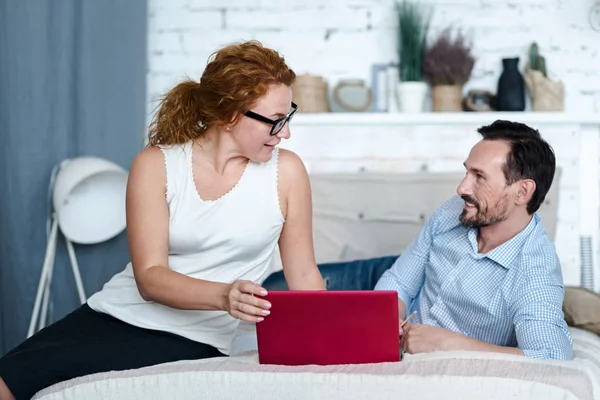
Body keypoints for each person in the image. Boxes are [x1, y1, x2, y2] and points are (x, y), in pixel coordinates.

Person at [0, 40, 325, 400]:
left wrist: (339, 339)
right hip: (115, 316)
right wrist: (223, 296)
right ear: (231, 115)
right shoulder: (156, 165)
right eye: (276, 122)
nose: (286, 133)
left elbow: (305, 276)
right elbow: (149, 278)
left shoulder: (288, 173)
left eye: (288, 116)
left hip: (199, 338)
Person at [375, 120, 573, 360]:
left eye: (479, 177)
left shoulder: (535, 272)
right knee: (319, 291)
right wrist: (385, 320)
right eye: (467, 171)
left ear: (522, 192)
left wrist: (446, 344)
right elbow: (400, 281)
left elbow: (551, 356)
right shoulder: (457, 209)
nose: (461, 188)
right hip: (382, 271)